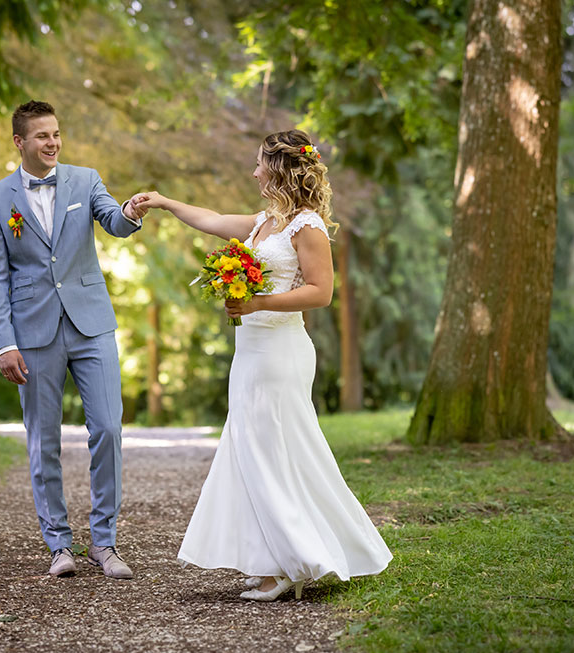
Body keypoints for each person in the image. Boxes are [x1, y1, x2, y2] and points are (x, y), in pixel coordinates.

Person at [132, 129, 392, 601]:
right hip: (250, 351)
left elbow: (321, 291)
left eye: (260, 165)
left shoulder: (307, 225)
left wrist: (257, 304)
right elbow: (209, 219)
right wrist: (165, 202)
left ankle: (286, 565)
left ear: (280, 169)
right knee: (253, 449)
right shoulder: (263, 223)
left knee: (270, 449)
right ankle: (271, 556)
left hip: (279, 350)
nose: (253, 172)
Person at [0, 100, 146, 579]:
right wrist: (2, 342)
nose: (52, 143)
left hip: (92, 324)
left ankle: (105, 542)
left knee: (109, 428)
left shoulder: (85, 179)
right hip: (31, 333)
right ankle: (59, 544)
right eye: (41, 136)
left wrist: (130, 211)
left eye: (56, 134)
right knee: (42, 439)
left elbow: (113, 221)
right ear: (19, 142)